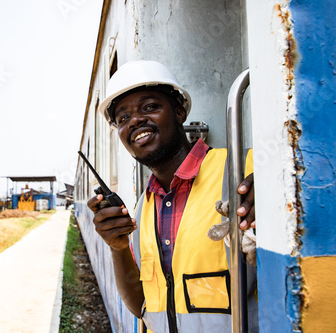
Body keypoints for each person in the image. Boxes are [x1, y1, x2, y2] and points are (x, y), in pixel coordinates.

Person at [87, 60, 257, 333]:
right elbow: (141, 305)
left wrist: (267, 198)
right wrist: (117, 247)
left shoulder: (244, 170)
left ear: (179, 112)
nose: (136, 121)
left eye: (150, 107)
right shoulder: (143, 208)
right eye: (122, 118)